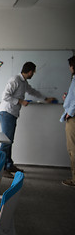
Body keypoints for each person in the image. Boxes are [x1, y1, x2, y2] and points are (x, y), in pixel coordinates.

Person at [0, 61, 56, 178]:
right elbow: (5, 96)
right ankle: (2, 168)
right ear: (30, 72)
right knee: (7, 141)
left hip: (12, 113)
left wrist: (45, 98)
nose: (33, 74)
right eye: (33, 72)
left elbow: (32, 91)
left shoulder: (23, 82)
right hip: (7, 112)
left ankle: (9, 165)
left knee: (9, 141)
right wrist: (20, 101)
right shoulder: (15, 80)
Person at [60, 55, 75, 187]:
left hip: (73, 118)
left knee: (72, 148)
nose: (69, 68)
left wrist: (70, 112)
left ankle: (74, 180)